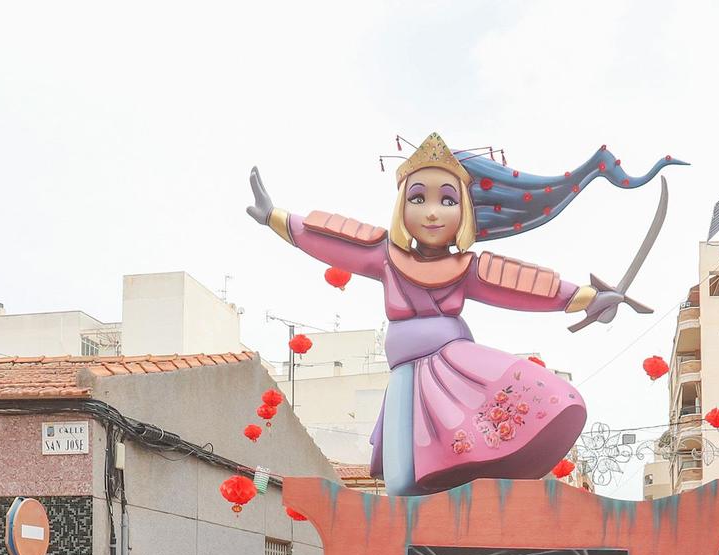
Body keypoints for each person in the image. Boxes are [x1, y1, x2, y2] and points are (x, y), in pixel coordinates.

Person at [245, 133, 675, 495]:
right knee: (401, 478)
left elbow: (524, 284)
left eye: (446, 200)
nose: (432, 211)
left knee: (457, 447)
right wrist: (276, 218)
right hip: (406, 375)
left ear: (464, 211)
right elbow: (333, 239)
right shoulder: (383, 255)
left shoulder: (469, 268)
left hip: (455, 366)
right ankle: (410, 530)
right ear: (402, 207)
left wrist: (585, 297)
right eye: (419, 197)